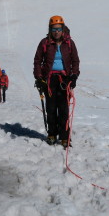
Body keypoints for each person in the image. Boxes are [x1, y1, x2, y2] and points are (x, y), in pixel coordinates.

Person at [33, 15, 80, 148]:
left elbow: (75, 61)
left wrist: (74, 76)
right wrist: (39, 78)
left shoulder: (70, 43)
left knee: (64, 109)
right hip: (49, 79)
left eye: (59, 29)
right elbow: (37, 61)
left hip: (65, 79)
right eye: (54, 29)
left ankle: (65, 137)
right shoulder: (44, 43)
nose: (56, 31)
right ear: (50, 29)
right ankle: (52, 134)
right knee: (51, 108)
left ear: (63, 29)